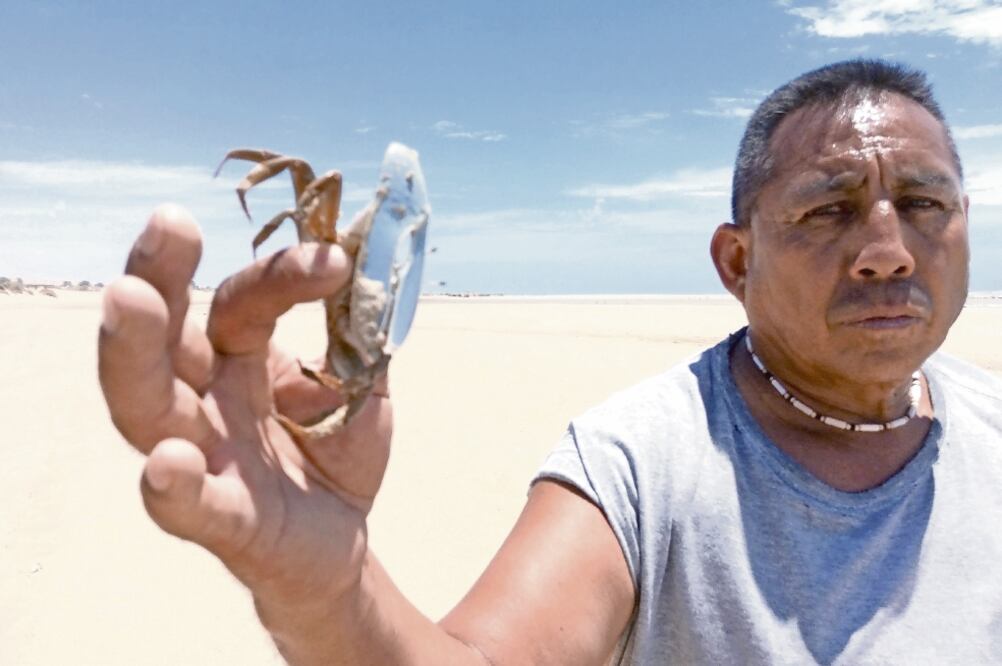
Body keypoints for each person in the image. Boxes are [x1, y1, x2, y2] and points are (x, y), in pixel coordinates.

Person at [98, 59, 1002, 665]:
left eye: (926, 203)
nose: (888, 249)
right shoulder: (640, 462)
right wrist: (332, 598)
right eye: (827, 211)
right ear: (735, 262)